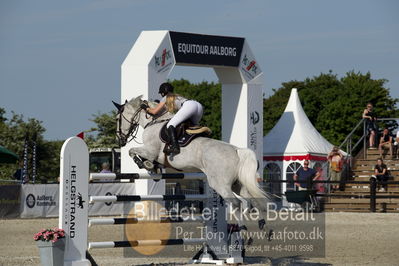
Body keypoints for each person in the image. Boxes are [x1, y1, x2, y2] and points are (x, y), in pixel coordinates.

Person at [145, 82, 204, 155]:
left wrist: (146, 108)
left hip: (189, 106)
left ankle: (175, 147)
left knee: (170, 125)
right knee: (192, 127)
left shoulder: (166, 98)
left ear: (163, 93)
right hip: (198, 105)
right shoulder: (176, 96)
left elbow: (154, 112)